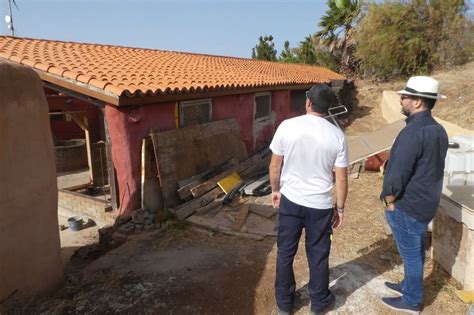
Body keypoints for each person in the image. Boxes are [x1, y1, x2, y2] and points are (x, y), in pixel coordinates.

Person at [269, 84, 348, 314]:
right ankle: (319, 302)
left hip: (291, 201)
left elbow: (275, 164)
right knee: (318, 254)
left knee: (285, 252)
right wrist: (340, 208)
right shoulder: (337, 135)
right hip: (320, 206)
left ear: (308, 102)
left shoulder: (287, 126)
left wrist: (276, 190)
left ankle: (284, 304)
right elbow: (341, 180)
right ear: (328, 107)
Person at [380, 76, 448, 314]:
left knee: (411, 255)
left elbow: (397, 172)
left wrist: (390, 200)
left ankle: (412, 300)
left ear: (418, 102)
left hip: (407, 206)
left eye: (406, 96)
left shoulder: (412, 133)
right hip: (425, 203)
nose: (401, 99)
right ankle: (408, 285)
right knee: (415, 248)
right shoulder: (438, 130)